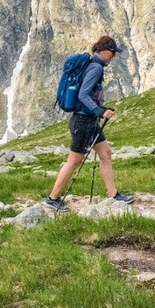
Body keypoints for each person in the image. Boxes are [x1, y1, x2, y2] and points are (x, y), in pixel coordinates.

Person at [45, 35, 135, 212]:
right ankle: (52, 198)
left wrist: (99, 108)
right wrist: (100, 112)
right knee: (74, 161)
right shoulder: (95, 68)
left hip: (89, 121)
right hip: (83, 122)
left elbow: (88, 95)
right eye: (112, 53)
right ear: (103, 51)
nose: (113, 57)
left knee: (106, 154)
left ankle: (114, 195)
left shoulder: (92, 65)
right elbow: (83, 95)